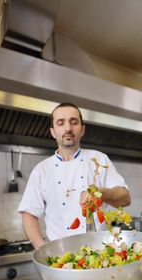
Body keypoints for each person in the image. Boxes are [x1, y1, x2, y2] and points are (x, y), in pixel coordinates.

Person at [18, 102, 131, 249]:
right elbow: (29, 214)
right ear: (52, 132)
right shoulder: (41, 171)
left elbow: (125, 198)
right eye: (61, 123)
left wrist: (101, 193)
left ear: (82, 129)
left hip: (101, 250)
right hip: (61, 254)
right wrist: (43, 250)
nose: (68, 128)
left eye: (74, 122)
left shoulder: (99, 159)